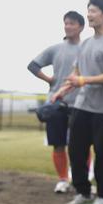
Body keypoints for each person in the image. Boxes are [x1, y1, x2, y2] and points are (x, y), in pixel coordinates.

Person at [54, 0, 103, 204]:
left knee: (102, 155)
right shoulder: (86, 43)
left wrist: (84, 80)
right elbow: (76, 73)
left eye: (93, 11)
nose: (89, 15)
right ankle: (82, 193)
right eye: (88, 10)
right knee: (76, 152)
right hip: (81, 106)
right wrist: (62, 90)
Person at [28, 10, 85, 194]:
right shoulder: (56, 48)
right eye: (66, 23)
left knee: (82, 143)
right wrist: (49, 80)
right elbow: (33, 65)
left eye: (72, 23)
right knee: (58, 143)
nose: (68, 26)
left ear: (81, 27)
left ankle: (84, 177)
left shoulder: (86, 48)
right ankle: (62, 179)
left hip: (80, 103)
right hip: (56, 103)